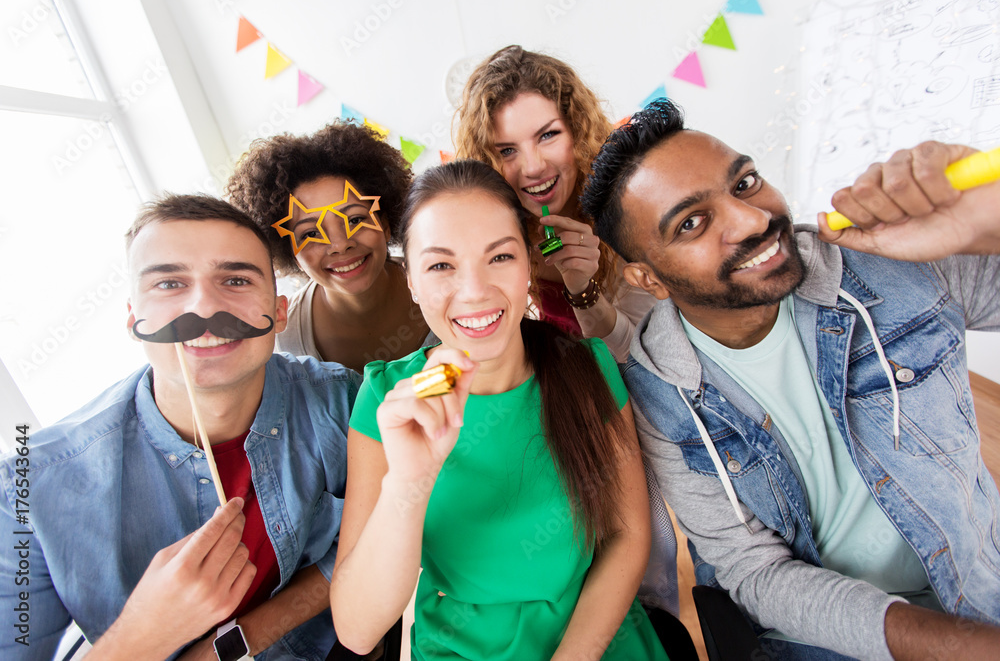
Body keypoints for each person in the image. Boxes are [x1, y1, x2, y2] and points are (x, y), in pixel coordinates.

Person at [581, 98, 1000, 660]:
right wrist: (963, 649)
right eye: (692, 222)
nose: (753, 220)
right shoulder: (659, 392)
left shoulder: (887, 259)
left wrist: (986, 222)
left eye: (746, 182)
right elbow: (755, 573)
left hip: (980, 592)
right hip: (821, 642)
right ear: (646, 278)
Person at [328, 160, 668, 660]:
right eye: (441, 265)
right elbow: (357, 630)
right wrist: (408, 482)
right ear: (412, 281)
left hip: (596, 639)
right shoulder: (388, 397)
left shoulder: (587, 366)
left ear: (529, 265)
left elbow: (626, 535)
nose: (474, 291)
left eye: (500, 257)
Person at [0, 195, 357, 660]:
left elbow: (381, 536)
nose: (204, 306)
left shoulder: (342, 400)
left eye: (235, 279)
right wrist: (145, 633)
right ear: (133, 319)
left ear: (280, 311)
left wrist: (231, 644)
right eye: (169, 282)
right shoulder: (27, 489)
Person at [454, 45, 656, 363]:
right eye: (507, 151)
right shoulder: (487, 235)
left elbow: (643, 361)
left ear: (577, 131)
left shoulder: (630, 211)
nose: (533, 167)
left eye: (548, 135)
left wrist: (582, 290)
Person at [227, 122, 433, 373]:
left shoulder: (443, 279)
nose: (340, 244)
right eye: (311, 233)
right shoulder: (285, 339)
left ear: (386, 223)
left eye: (355, 219)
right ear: (289, 251)